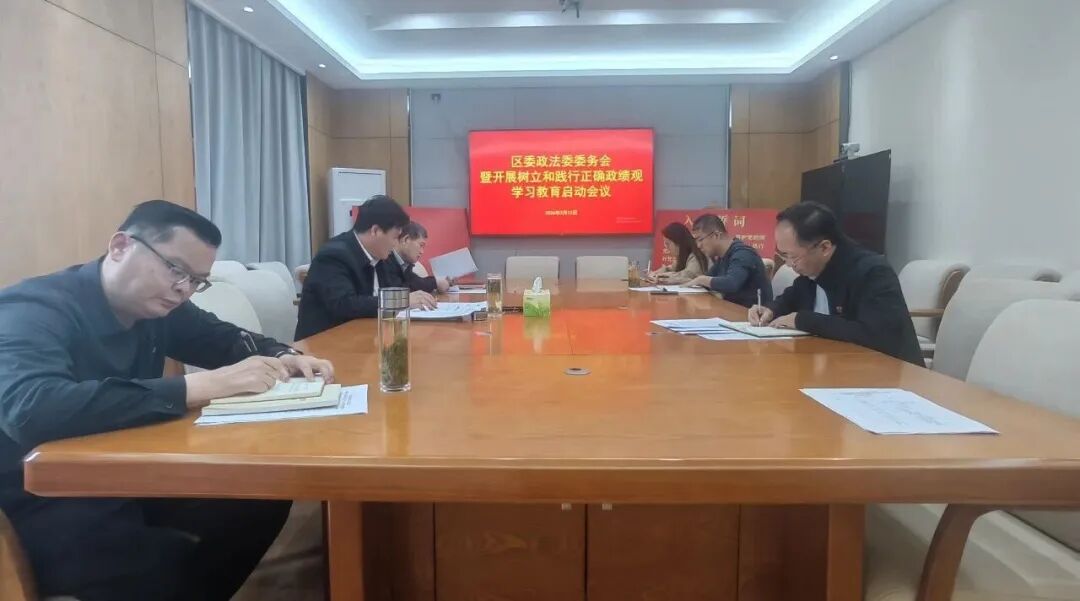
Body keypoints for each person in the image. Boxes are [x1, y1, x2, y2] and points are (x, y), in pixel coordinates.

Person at [0, 200, 336, 601]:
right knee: (148, 562)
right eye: (175, 269)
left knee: (258, 498)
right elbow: (32, 409)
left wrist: (284, 355)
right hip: (45, 490)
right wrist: (198, 387)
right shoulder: (33, 309)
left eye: (196, 281)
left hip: (126, 466)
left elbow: (223, 338)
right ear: (121, 246)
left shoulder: (161, 308)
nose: (183, 289)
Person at [748, 201, 923, 365]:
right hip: (836, 365)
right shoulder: (811, 272)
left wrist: (803, 320)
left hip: (886, 373)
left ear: (824, 247)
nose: (788, 264)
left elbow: (875, 335)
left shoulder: (872, 272)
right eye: (783, 255)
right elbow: (789, 299)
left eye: (792, 256)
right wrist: (770, 310)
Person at [296, 195, 435, 340]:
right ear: (375, 231)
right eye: (395, 237)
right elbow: (344, 305)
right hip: (323, 343)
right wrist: (402, 300)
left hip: (364, 337)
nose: (395, 244)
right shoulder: (334, 255)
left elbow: (396, 286)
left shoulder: (380, 256)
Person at [686, 214, 772, 308]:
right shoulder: (722, 257)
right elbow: (708, 279)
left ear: (716, 235)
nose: (698, 246)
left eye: (700, 240)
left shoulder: (742, 254)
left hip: (752, 314)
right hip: (733, 311)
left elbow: (732, 283)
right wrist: (684, 281)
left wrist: (702, 279)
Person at [386, 221, 451, 294]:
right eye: (421, 245)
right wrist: (435, 282)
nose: (422, 252)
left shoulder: (404, 264)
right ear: (406, 240)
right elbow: (401, 288)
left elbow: (415, 282)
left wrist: (437, 282)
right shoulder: (385, 260)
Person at [645, 222, 709, 285]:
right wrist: (655, 273)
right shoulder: (681, 257)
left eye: (668, 244)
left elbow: (687, 275)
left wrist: (659, 278)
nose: (666, 247)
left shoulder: (695, 256)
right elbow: (670, 269)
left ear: (678, 243)